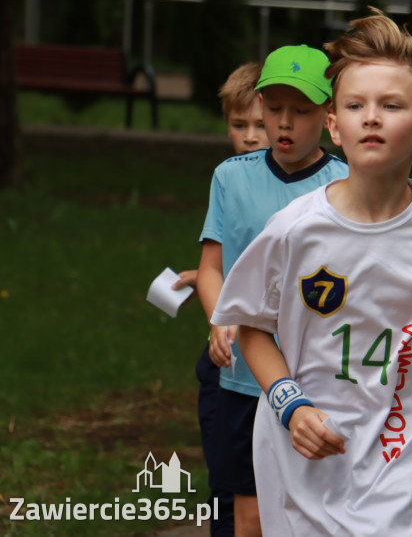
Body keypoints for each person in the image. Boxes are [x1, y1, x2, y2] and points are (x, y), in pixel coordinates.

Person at [210, 10, 412, 536]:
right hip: (309, 456)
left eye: (392, 105)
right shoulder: (293, 230)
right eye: (356, 105)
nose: (372, 117)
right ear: (335, 125)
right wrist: (291, 407)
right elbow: (251, 327)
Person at [196, 44, 349, 537]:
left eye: (301, 111)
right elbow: (211, 268)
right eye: (274, 108)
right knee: (251, 517)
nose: (284, 123)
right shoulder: (230, 177)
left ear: (329, 115)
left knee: (318, 512)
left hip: (321, 380)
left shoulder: (347, 183)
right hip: (244, 381)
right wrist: (221, 317)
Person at [170, 61, 269, 537]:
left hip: (285, 365)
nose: (250, 136)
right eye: (238, 125)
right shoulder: (231, 180)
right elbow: (220, 258)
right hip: (229, 364)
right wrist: (212, 291)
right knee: (228, 488)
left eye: (260, 124)